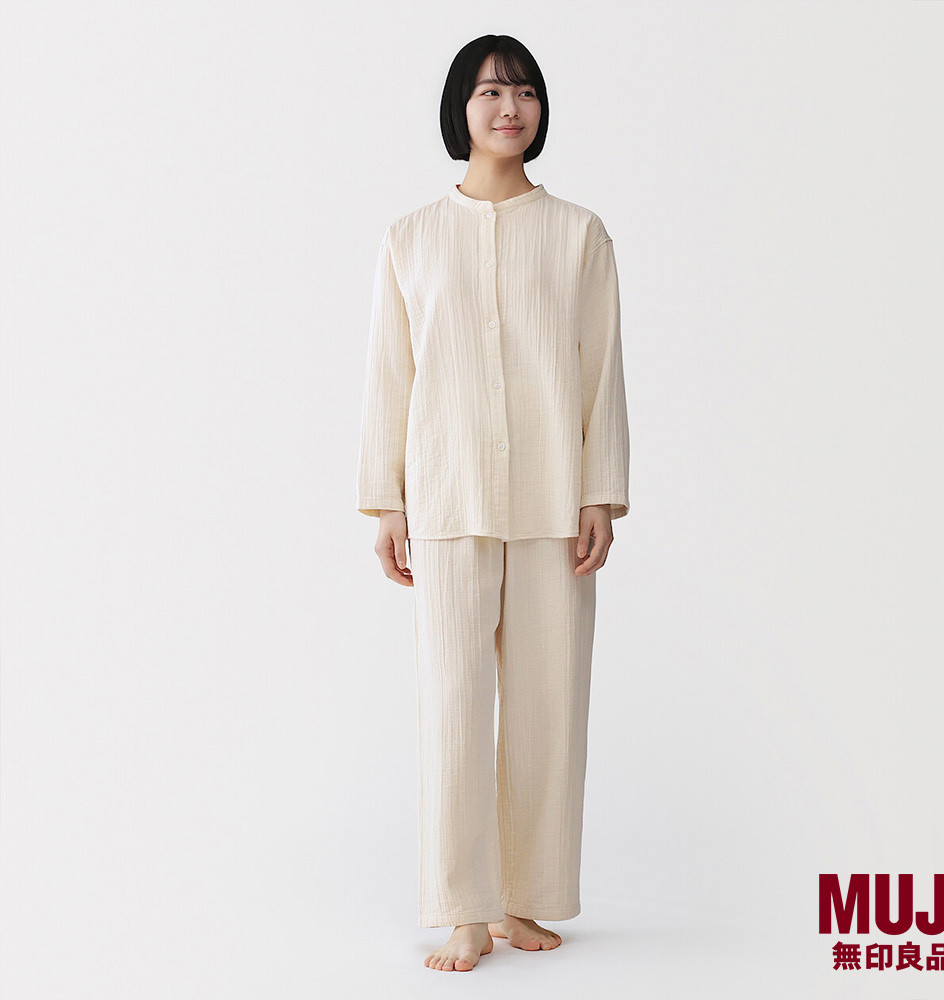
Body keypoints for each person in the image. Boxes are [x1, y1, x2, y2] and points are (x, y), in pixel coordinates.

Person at [356, 33, 630, 973]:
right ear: (460, 110)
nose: (508, 108)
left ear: (541, 110)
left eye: (524, 92)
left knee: (549, 713)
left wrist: (602, 493)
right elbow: (389, 377)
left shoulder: (580, 234)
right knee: (455, 710)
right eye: (489, 92)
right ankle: (464, 910)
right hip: (447, 499)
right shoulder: (410, 238)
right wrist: (387, 503)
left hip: (554, 503)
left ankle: (522, 901)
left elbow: (601, 373)